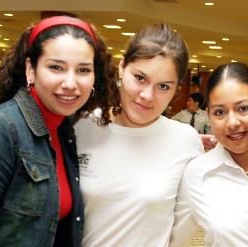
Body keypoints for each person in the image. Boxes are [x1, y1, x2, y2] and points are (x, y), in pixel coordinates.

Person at [0, 16, 113, 246]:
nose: (71, 83)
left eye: (83, 70)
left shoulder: (65, 131)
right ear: (30, 69)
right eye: (56, 67)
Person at [74, 23, 204, 246]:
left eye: (163, 86)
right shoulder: (81, 126)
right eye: (140, 78)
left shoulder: (185, 140)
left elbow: (185, 226)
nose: (147, 95)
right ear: (123, 66)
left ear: (177, 89)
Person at [170, 62, 248, 247]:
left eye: (243, 108)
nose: (232, 122)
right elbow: (175, 239)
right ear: (209, 114)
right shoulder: (197, 173)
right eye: (219, 112)